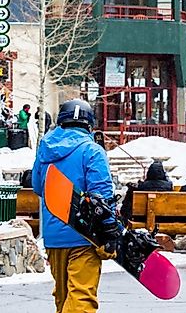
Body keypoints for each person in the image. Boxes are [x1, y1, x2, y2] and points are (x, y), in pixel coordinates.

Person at [31, 99, 118, 313]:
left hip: (53, 236)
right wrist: (110, 230)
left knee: (63, 297)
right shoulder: (92, 151)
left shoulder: (45, 149)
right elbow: (103, 194)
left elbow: (37, 186)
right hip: (84, 234)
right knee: (81, 297)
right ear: (89, 125)